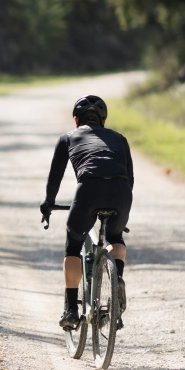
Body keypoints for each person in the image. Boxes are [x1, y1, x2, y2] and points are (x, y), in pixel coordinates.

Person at [39, 94, 132, 332]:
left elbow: (55, 177)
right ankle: (117, 279)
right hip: (121, 192)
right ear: (103, 120)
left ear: (76, 119)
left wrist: (49, 203)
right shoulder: (120, 139)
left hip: (89, 188)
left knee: (73, 246)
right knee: (116, 238)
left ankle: (71, 310)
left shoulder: (68, 137)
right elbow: (130, 178)